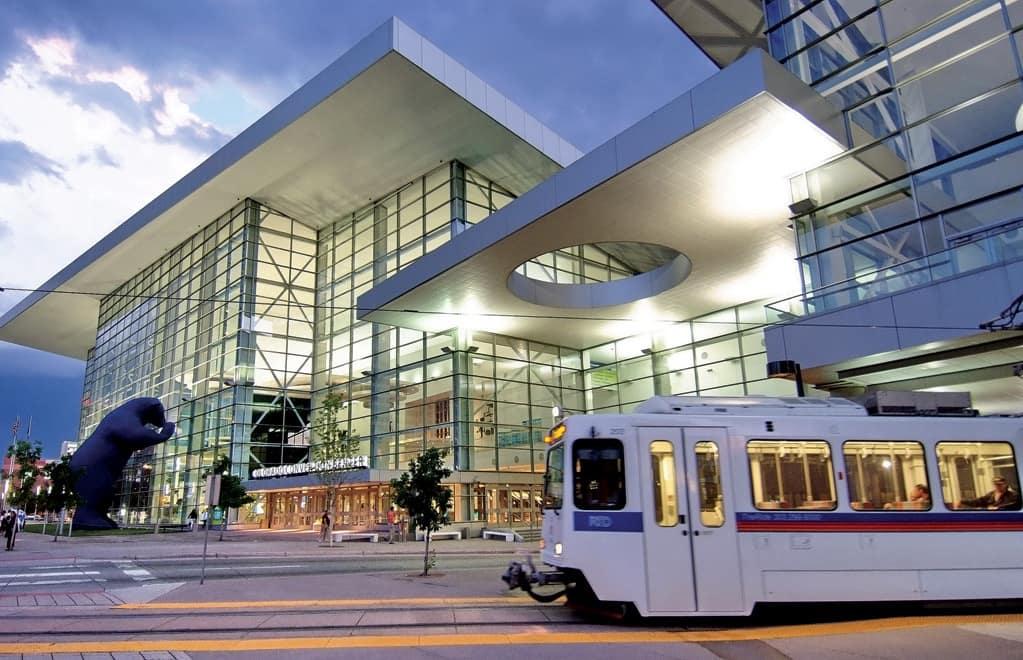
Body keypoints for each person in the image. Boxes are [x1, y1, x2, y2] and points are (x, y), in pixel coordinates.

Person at [957, 477, 1021, 510]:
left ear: (1005, 484)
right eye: (996, 484)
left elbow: (1013, 505)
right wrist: (962, 501)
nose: (998, 486)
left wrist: (997, 508)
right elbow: (978, 501)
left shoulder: (1013, 495)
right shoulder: (991, 494)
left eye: (1000, 484)